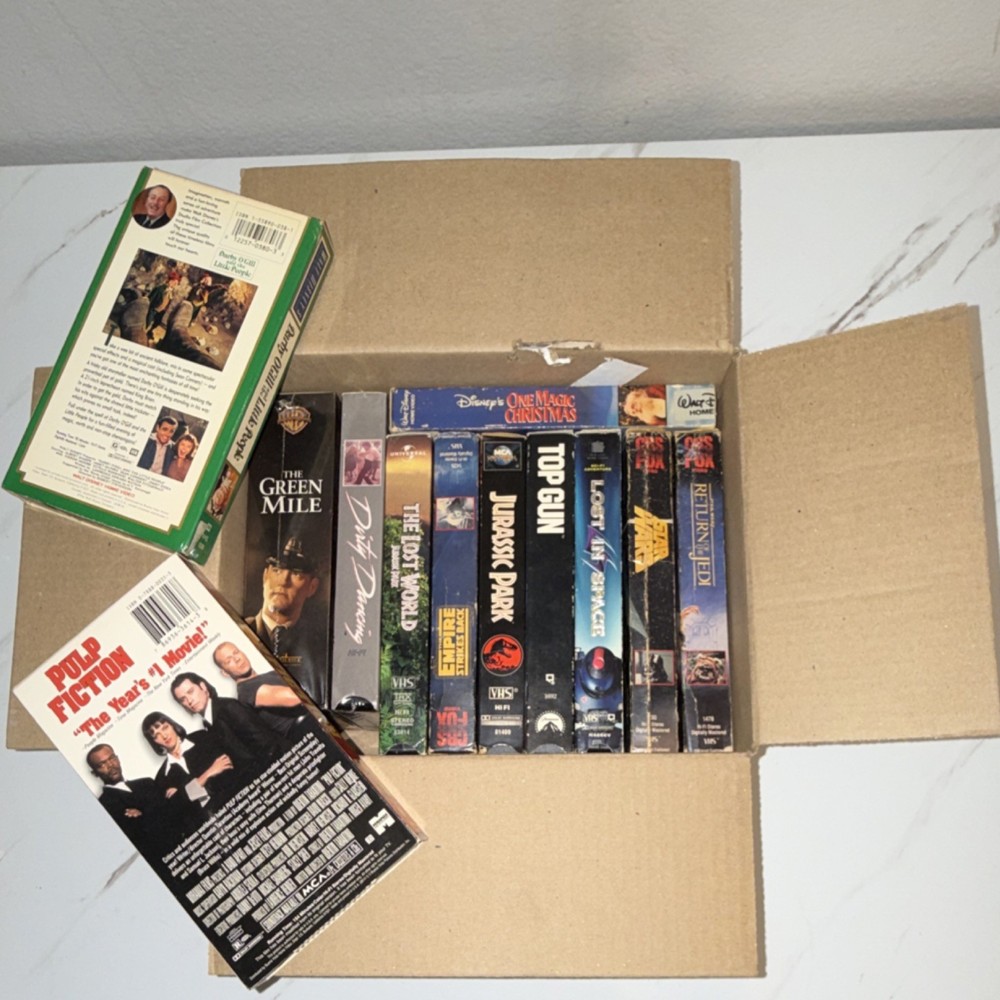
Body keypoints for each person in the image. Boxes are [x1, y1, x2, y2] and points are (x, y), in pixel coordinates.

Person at [244, 536, 327, 706]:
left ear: (312, 587)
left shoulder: (321, 648)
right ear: (265, 576)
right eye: (277, 570)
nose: (283, 581)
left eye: (296, 573)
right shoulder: (239, 633)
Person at [170, 670, 289, 765]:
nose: (189, 700)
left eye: (191, 691)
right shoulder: (208, 724)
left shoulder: (228, 707)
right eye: (182, 699)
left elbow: (267, 745)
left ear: (203, 687)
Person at [141, 710, 235, 825]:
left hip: (236, 805)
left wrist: (184, 792)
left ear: (172, 725)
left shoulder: (202, 738)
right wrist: (209, 773)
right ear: (154, 742)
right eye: (156, 735)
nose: (164, 736)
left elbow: (227, 767)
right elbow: (177, 811)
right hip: (206, 827)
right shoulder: (162, 778)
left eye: (165, 728)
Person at [213, 641, 311, 742]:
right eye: (228, 661)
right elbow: (295, 697)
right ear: (225, 673)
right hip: (306, 731)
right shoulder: (247, 691)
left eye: (236, 652)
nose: (237, 659)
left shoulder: (268, 675)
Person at [87, 743, 172, 856]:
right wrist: (155, 810)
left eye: (112, 758)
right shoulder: (104, 807)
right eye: (102, 764)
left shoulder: (147, 783)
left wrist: (143, 814)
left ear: (118, 759)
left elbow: (173, 811)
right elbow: (136, 834)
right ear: (94, 773)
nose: (110, 765)